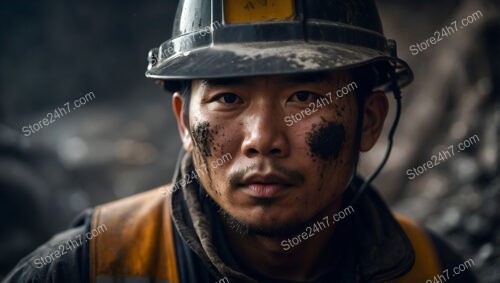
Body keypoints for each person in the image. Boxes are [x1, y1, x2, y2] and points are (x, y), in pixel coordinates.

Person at [5, 0, 477, 282]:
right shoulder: (87, 268)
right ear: (185, 124)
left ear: (369, 120)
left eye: (303, 96)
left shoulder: (431, 269)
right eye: (229, 97)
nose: (262, 139)